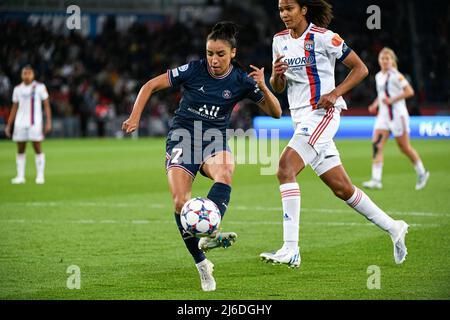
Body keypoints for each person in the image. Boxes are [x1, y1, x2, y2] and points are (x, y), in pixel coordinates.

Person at [122, 22, 282, 291]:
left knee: (226, 170)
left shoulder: (242, 80)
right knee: (179, 202)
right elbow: (150, 85)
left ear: (232, 53)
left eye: (220, 54)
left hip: (213, 140)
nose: (213, 59)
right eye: (209, 53)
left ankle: (210, 231)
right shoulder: (194, 70)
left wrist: (264, 87)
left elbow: (276, 113)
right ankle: (202, 264)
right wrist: (135, 115)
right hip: (182, 137)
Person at [260, 0, 409, 268]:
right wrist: (275, 76)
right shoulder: (279, 40)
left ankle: (291, 249)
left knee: (284, 168)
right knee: (342, 189)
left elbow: (360, 68)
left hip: (322, 114)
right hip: (300, 118)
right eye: (281, 9)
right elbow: (278, 86)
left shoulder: (324, 38)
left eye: (289, 8)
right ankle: (394, 227)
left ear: (304, 9)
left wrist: (335, 92)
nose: (284, 14)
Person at [363, 47, 429, 191]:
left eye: (388, 58)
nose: (385, 61)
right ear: (379, 61)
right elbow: (381, 95)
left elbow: (409, 91)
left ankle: (422, 173)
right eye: (382, 58)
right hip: (383, 117)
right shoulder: (379, 76)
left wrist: (392, 100)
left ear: (392, 61)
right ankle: (376, 180)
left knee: (404, 147)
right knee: (376, 145)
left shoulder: (397, 76)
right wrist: (375, 104)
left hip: (398, 116)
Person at [5, 65, 51, 184]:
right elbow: (14, 108)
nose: (27, 76)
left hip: (35, 123)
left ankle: (40, 176)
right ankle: (20, 176)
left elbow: (46, 105)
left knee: (37, 147)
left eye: (29, 73)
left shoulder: (40, 87)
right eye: (25, 73)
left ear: (33, 75)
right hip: (20, 123)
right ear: (21, 75)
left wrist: (48, 122)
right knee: (20, 149)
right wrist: (9, 124)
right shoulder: (17, 89)